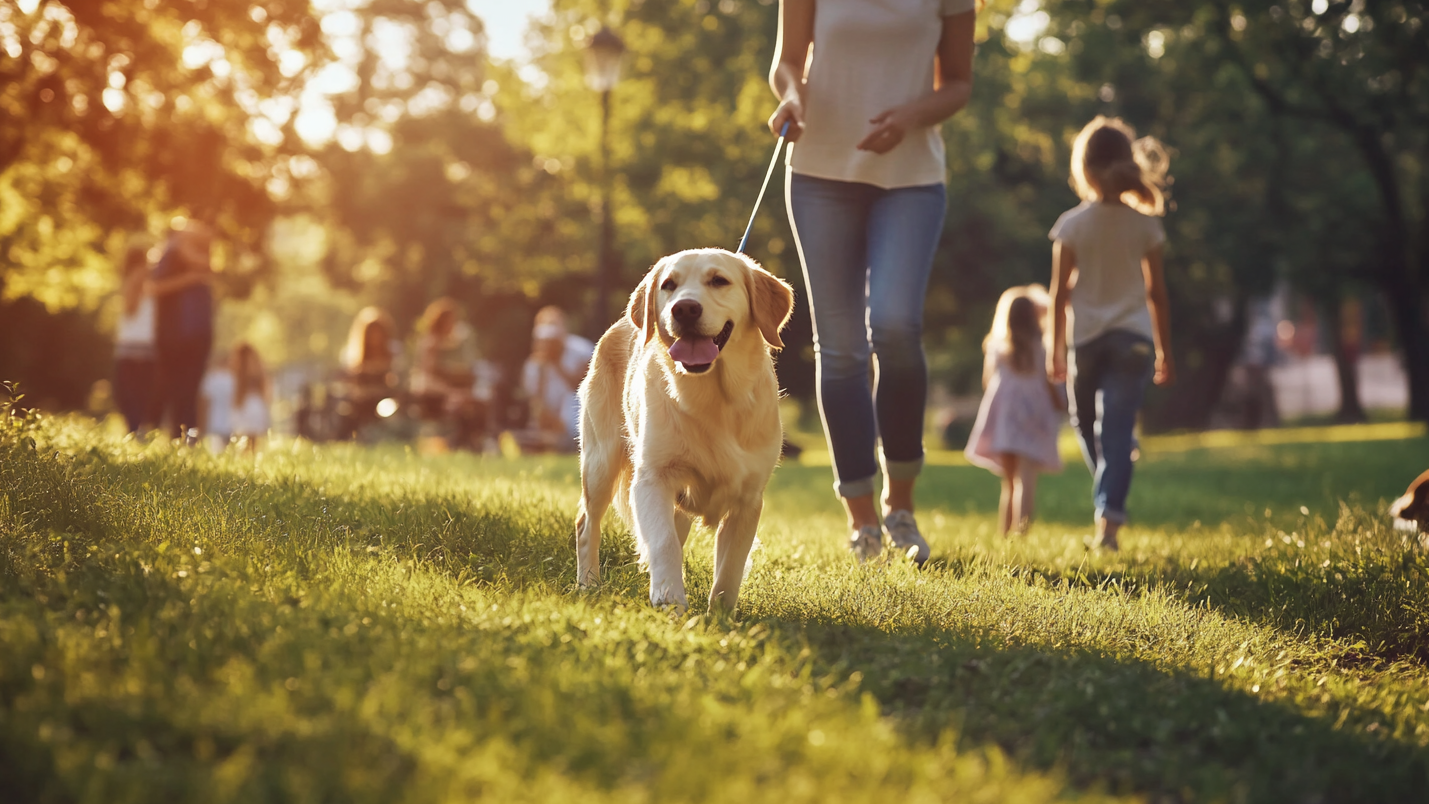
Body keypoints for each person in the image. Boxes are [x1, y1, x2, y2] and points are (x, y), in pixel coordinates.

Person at [767, 0, 977, 564]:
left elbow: (957, 84)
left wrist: (909, 116)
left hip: (911, 177)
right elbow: (787, 60)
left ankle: (900, 509)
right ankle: (862, 522)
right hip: (818, 175)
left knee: (895, 326)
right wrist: (791, 93)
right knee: (839, 349)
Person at [1047, 116, 1175, 551]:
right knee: (1110, 433)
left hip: (1089, 340)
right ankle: (1115, 479)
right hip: (1135, 340)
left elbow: (1058, 295)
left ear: (1082, 167)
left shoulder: (1070, 224)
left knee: (1089, 426)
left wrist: (1054, 350)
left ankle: (1108, 521)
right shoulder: (1145, 225)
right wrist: (1164, 350)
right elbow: (1158, 295)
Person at [965, 287, 1065, 536]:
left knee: (1008, 482)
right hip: (1031, 418)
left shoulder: (997, 347)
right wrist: (1059, 404)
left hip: (1004, 419)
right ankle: (1021, 533)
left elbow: (988, 382)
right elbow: (1051, 383)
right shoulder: (1041, 347)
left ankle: (1005, 532)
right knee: (1027, 479)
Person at [151, 219, 215, 442]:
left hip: (198, 334)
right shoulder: (168, 257)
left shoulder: (203, 257)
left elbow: (207, 266)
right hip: (173, 334)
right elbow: (154, 288)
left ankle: (188, 438)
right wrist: (189, 279)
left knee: (191, 388)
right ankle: (174, 437)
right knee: (175, 387)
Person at [410, 298, 482, 449]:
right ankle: (455, 442)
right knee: (458, 404)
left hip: (450, 391)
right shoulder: (430, 344)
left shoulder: (456, 344)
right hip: (433, 392)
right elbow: (427, 377)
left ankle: (472, 443)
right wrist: (452, 392)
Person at [521, 306, 594, 452]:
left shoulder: (582, 351)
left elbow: (584, 388)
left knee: (571, 399)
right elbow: (536, 401)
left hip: (579, 416)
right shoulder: (533, 365)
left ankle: (567, 440)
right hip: (551, 421)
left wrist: (556, 363)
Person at [113, 244, 159, 433]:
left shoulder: (140, 278)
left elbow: (130, 308)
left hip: (134, 345)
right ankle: (136, 430)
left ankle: (135, 430)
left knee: (130, 393)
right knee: (136, 393)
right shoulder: (150, 280)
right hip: (139, 344)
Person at [339, 306, 402, 436]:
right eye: (372, 332)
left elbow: (397, 380)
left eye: (379, 332)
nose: (375, 337)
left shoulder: (394, 352)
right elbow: (348, 383)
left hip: (385, 399)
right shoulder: (352, 355)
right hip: (360, 401)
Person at [228, 342, 271, 454]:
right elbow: (266, 392)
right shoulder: (258, 371)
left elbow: (235, 392)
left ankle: (246, 457)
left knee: (244, 436)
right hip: (256, 405)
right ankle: (251, 457)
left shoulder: (237, 371)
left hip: (245, 405)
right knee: (253, 438)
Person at [198, 352, 234, 453]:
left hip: (213, 421)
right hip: (231, 423)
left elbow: (204, 402)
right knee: (230, 453)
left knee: (215, 452)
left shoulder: (211, 378)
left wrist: (202, 425)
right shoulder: (233, 379)